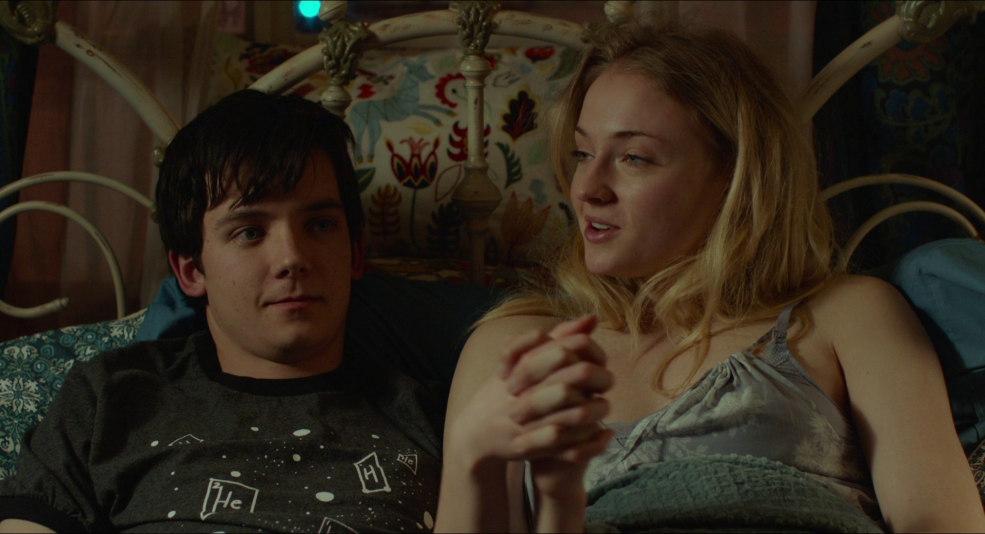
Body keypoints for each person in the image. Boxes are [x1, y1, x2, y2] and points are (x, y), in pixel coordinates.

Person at [434, 21, 985, 533]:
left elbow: (943, 525)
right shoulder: (511, 348)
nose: (587, 188)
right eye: (582, 153)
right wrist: (469, 455)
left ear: (735, 174)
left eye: (634, 158)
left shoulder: (848, 315)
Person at [0, 90, 443, 533]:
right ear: (191, 270)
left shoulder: (430, 418)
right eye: (250, 232)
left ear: (355, 252)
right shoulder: (111, 399)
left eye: (320, 224)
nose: (292, 257)